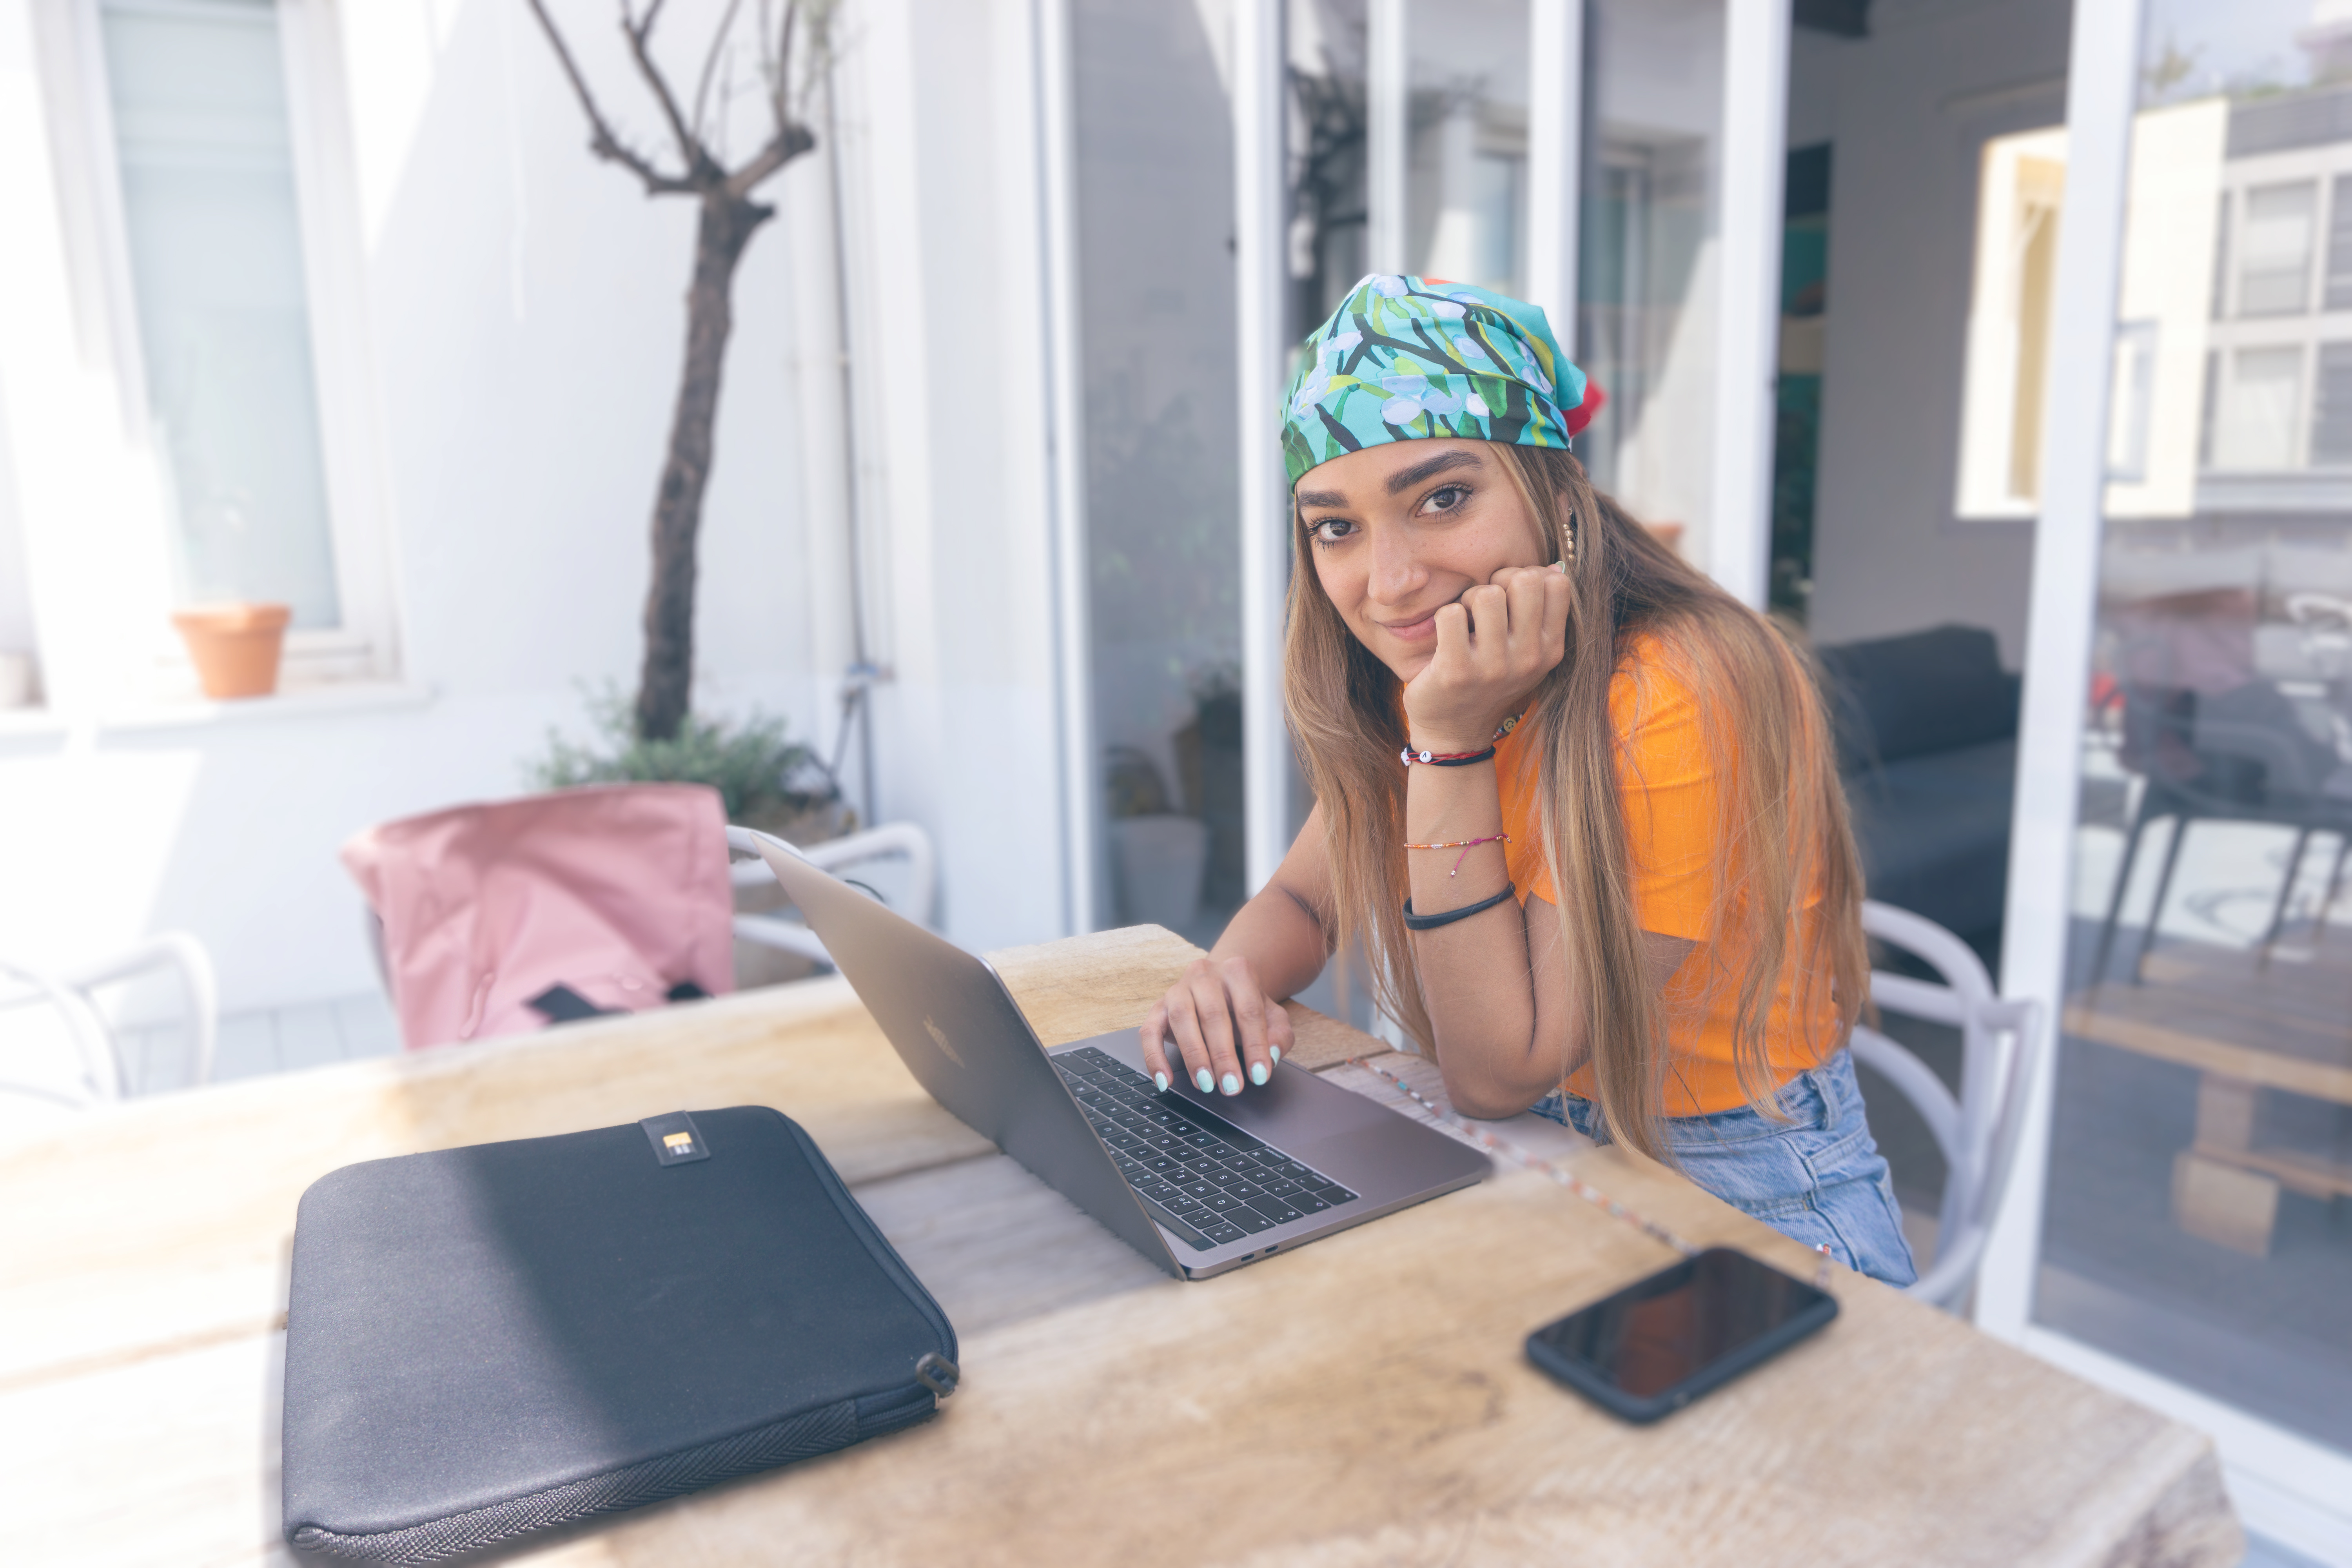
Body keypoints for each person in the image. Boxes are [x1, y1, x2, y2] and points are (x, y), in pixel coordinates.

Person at [1138, 274, 1916, 1285]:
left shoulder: (1680, 685)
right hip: (1531, 1159)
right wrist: (1226, 978)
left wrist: (1448, 748)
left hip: (1742, 1188)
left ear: (1557, 493)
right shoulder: (1447, 662)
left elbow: (1500, 1067)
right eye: (1337, 527)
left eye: (1444, 499)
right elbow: (1302, 895)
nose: (1390, 581)